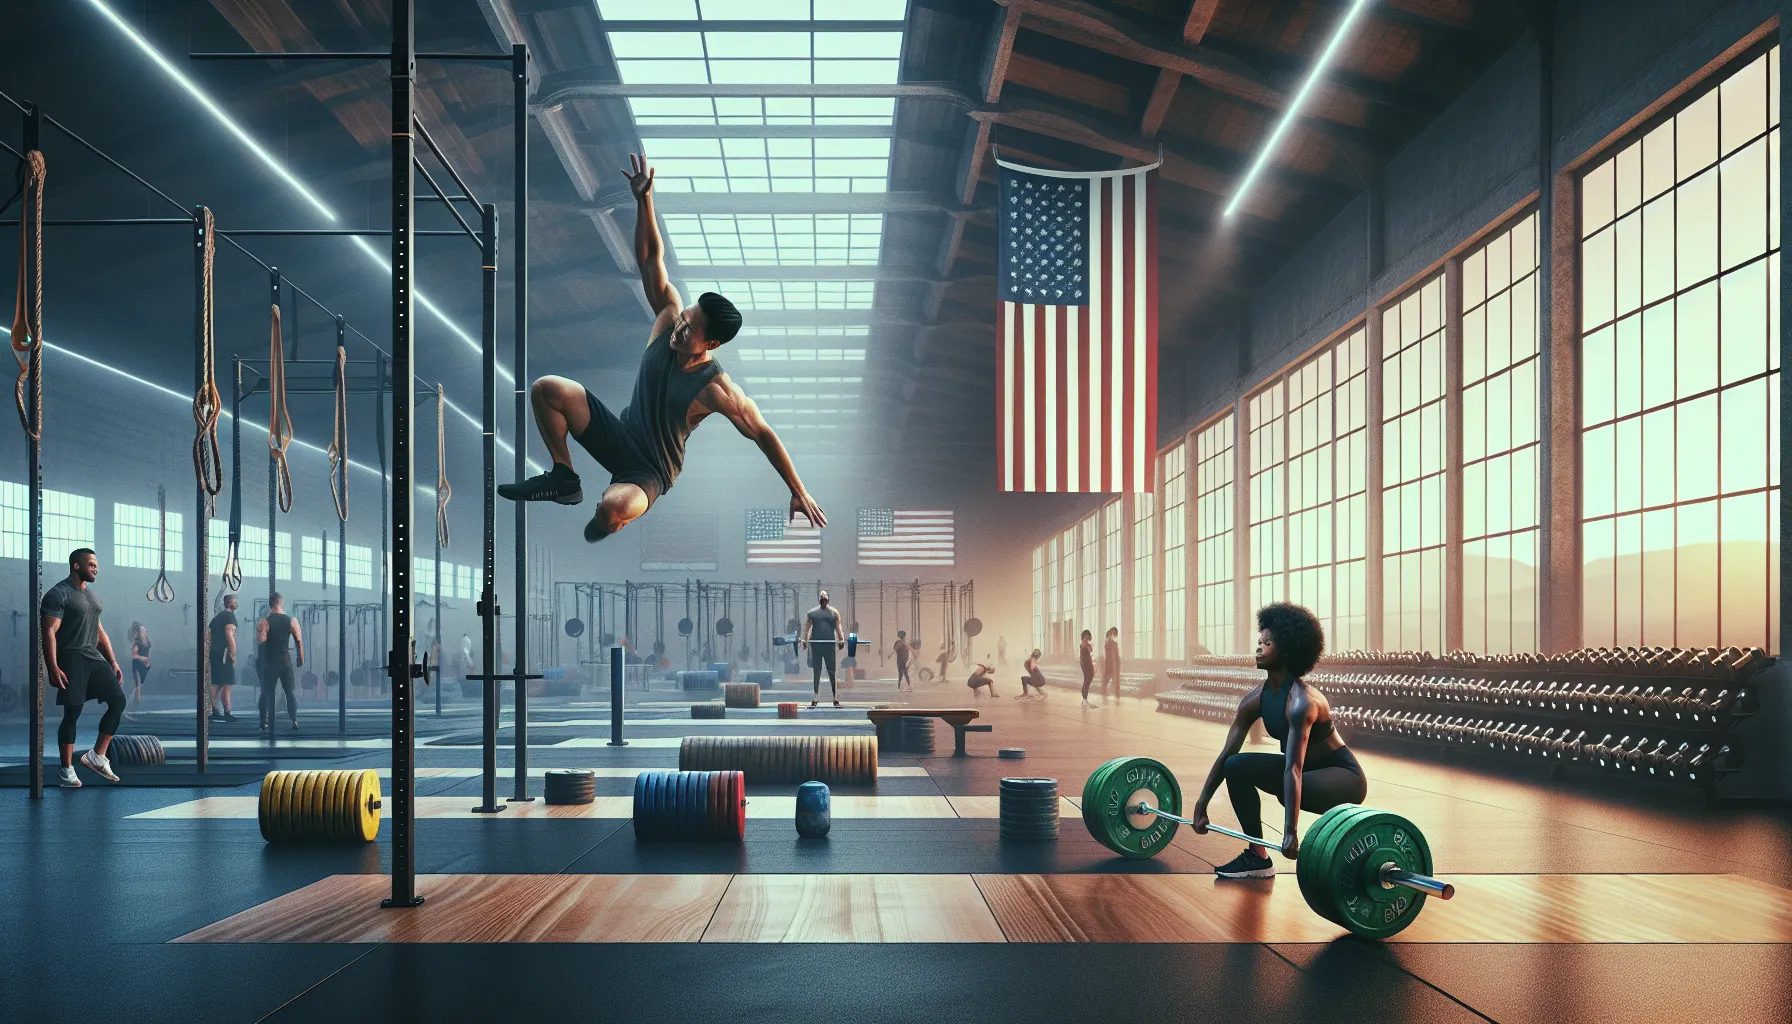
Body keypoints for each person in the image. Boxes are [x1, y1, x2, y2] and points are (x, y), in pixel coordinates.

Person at [499, 153, 827, 544]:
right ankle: (564, 477)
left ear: (711, 344)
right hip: (618, 434)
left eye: (690, 331)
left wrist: (798, 488)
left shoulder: (716, 388)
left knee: (612, 508)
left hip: (650, 471)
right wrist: (644, 200)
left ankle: (602, 521)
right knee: (547, 389)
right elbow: (651, 259)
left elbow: (763, 433)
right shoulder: (669, 318)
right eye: (685, 318)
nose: (679, 329)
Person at [1189, 603, 1368, 879]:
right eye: (1259, 642)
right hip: (1303, 773)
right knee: (1236, 765)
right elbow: (1227, 753)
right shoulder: (1253, 700)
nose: (1259, 648)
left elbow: (1293, 768)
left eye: (1268, 643)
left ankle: (1352, 847)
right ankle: (1257, 856)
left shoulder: (1302, 702)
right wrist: (1202, 802)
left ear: (1287, 649)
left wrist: (1290, 832)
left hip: (1342, 778)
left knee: (1288, 791)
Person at [41, 548, 125, 787]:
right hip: (72, 657)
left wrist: (113, 661)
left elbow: (99, 633)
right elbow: (49, 631)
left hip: (93, 657)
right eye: (91, 564)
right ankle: (66, 770)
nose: (95, 568)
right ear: (76, 565)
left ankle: (97, 755)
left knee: (118, 701)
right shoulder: (58, 594)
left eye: (96, 564)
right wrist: (52, 666)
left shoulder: (93, 597)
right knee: (73, 712)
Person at [257, 593, 306, 731]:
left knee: (266, 692)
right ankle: (294, 721)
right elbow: (298, 640)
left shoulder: (264, 622)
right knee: (289, 692)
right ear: (281, 603)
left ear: (270, 604)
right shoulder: (292, 621)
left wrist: (261, 662)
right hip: (285, 662)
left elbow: (261, 643)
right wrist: (300, 657)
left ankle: (263, 722)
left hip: (270, 663)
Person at [801, 588, 845, 708]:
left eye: (825, 598)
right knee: (817, 671)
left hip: (829, 645)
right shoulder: (812, 613)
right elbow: (807, 627)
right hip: (816, 645)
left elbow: (838, 627)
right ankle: (815, 696)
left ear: (828, 599)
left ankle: (835, 698)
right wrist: (805, 640)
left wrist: (841, 639)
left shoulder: (834, 613)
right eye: (822, 598)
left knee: (832, 671)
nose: (824, 601)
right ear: (820, 600)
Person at [208, 595, 239, 722]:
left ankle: (214, 709)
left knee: (216, 682)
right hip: (224, 653)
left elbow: (208, 635)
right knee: (227, 682)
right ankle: (227, 712)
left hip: (214, 652)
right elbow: (229, 635)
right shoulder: (229, 617)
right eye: (236, 602)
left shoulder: (217, 618)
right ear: (232, 604)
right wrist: (233, 653)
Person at [127, 621, 151, 706]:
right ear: (139, 634)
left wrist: (148, 662)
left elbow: (148, 653)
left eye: (145, 631)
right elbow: (134, 655)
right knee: (138, 685)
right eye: (142, 631)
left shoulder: (148, 643)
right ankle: (137, 701)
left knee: (141, 684)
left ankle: (131, 697)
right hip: (137, 664)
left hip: (145, 666)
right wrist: (143, 658)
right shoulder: (137, 643)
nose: (144, 632)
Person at [1100, 626, 1121, 705]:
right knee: (1111, 683)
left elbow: (1116, 656)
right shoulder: (1110, 644)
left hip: (1111, 667)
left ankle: (1111, 699)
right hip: (1111, 667)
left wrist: (1117, 666)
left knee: (1109, 683)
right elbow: (1115, 656)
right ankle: (1112, 699)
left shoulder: (1110, 644)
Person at [1078, 629, 1097, 709]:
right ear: (1084, 636)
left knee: (1087, 680)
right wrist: (1089, 645)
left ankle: (1084, 700)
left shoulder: (1083, 644)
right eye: (1086, 636)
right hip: (1086, 663)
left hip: (1086, 663)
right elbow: (1091, 650)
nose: (1087, 638)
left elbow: (1090, 650)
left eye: (1088, 636)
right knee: (1087, 680)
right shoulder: (1084, 644)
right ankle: (1084, 700)